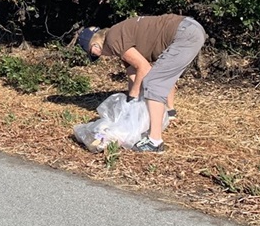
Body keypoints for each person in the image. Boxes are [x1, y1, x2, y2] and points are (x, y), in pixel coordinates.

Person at [78, 14, 206, 153]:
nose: (100, 56)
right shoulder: (119, 39)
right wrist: (130, 108)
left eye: (94, 53)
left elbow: (144, 68)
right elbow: (134, 76)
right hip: (189, 29)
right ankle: (169, 112)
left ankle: (155, 141)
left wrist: (132, 98)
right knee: (160, 76)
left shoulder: (113, 40)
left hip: (184, 33)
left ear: (95, 44)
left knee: (153, 82)